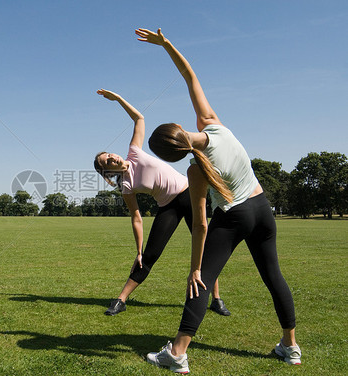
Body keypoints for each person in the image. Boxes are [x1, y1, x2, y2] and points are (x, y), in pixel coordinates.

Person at [135, 27, 301, 373]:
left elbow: (200, 223)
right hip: (262, 208)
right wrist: (166, 45)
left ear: (172, 156)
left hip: (234, 216)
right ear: (179, 127)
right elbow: (189, 75)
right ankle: (291, 346)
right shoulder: (214, 125)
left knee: (201, 281)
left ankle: (177, 353)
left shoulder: (195, 172)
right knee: (274, 276)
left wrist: (195, 267)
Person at [94, 89, 230, 317]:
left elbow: (139, 118)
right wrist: (138, 249)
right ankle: (121, 299)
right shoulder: (126, 187)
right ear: (108, 170)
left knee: (205, 249)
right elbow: (136, 218)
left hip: (189, 194)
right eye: (107, 161)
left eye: (110, 154)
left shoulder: (134, 152)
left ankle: (216, 299)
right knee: (148, 256)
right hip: (168, 207)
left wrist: (118, 99)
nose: (112, 157)